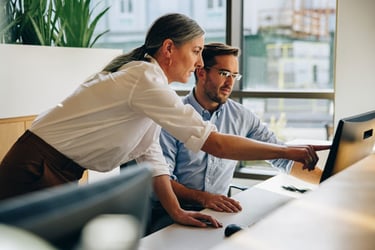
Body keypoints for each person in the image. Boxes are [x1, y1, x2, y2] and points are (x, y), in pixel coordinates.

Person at [0, 13, 328, 229]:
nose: (199, 61)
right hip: (36, 167)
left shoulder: (150, 87)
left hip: (55, 169)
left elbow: (152, 158)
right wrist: (288, 152)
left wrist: (177, 213)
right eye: (196, 51)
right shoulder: (144, 79)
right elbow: (214, 143)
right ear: (169, 48)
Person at [148, 43, 325, 232]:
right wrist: (205, 198)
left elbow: (283, 158)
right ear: (201, 73)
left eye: (234, 75)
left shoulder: (241, 116)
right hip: (172, 212)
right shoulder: (172, 115)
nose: (230, 83)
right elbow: (161, 178)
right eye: (224, 73)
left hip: (219, 211)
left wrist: (328, 182)